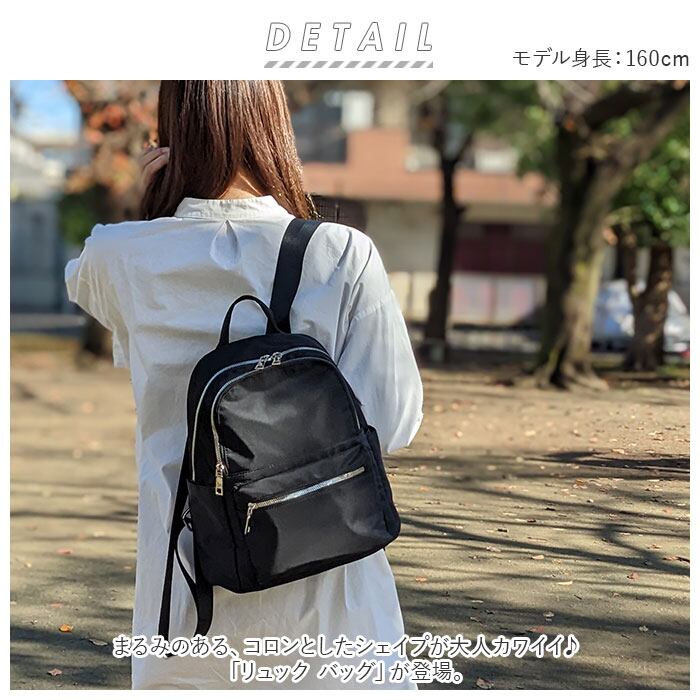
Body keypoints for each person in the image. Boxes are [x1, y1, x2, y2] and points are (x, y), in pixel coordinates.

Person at [65, 80, 424, 690]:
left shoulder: (118, 255)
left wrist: (154, 213)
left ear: (173, 129)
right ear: (272, 123)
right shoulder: (342, 254)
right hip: (333, 617)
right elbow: (393, 422)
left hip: (185, 620)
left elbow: (86, 281)